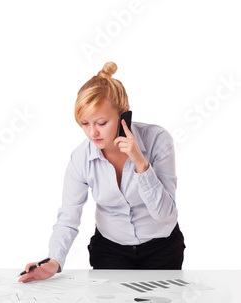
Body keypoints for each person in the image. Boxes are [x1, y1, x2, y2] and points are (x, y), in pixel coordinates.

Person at [18, 62, 185, 283]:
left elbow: (163, 213)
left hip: (162, 248)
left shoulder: (157, 140)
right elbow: (68, 216)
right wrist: (54, 260)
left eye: (102, 122)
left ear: (124, 116)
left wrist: (140, 163)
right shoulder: (81, 158)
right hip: (110, 250)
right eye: (85, 123)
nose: (92, 132)